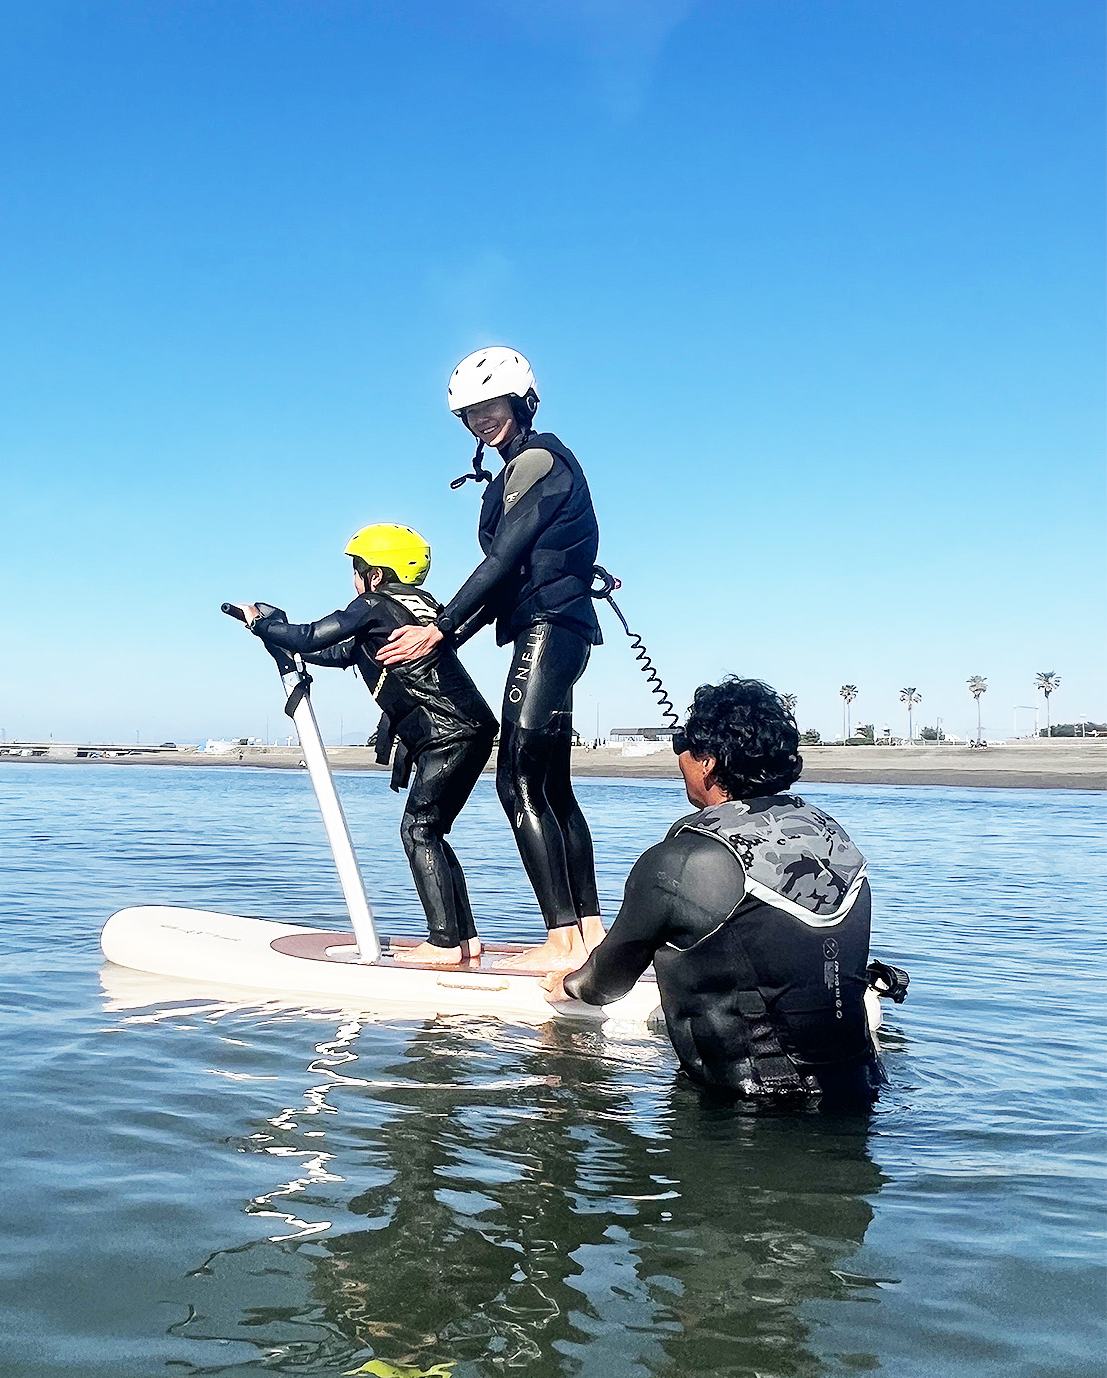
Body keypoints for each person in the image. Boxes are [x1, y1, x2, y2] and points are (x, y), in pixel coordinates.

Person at [543, 677, 891, 1107]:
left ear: (706, 761)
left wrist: (568, 986)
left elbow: (606, 982)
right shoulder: (833, 837)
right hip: (864, 1087)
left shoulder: (684, 859)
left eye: (681, 746)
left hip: (751, 1112)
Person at [376, 348, 604, 972]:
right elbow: (508, 580)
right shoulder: (519, 471)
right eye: (470, 413)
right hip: (557, 627)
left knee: (519, 780)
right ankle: (588, 933)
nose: (481, 421)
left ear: (522, 400)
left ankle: (560, 942)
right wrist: (445, 637)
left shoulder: (538, 459)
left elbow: (501, 564)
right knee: (552, 784)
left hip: (549, 630)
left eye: (491, 406)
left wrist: (440, 626)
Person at [234, 524, 498, 967]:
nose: (354, 580)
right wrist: (274, 634)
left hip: (446, 732)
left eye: (356, 570)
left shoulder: (373, 603)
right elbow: (338, 652)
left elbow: (311, 636)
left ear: (375, 574)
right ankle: (464, 939)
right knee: (431, 830)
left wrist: (264, 622)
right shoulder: (420, 606)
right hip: (468, 728)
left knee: (418, 829)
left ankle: (445, 942)